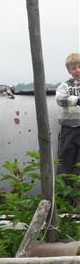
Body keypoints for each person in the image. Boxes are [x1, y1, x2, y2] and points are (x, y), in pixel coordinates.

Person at [55, 53, 80, 188]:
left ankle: (77, 194)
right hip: (69, 130)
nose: (77, 70)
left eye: (79, 67)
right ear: (69, 71)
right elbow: (60, 99)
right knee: (66, 160)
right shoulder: (65, 86)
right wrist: (76, 100)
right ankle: (64, 193)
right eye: (74, 68)